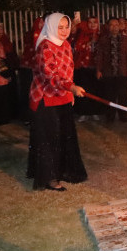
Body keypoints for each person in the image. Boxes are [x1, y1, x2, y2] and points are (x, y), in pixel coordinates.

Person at [28, 13, 87, 191]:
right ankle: (50, 178)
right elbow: (50, 76)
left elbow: (68, 72)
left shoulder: (67, 44)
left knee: (64, 137)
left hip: (63, 97)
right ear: (52, 27)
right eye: (60, 27)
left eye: (66, 27)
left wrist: (70, 92)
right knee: (50, 139)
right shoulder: (45, 47)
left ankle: (66, 172)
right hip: (45, 99)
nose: (64, 31)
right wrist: (71, 89)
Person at [95, 17, 127, 122]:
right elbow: (100, 56)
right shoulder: (103, 39)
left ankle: (123, 116)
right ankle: (110, 116)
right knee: (109, 95)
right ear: (108, 27)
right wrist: (98, 70)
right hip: (108, 72)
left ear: (119, 26)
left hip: (122, 71)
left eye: (116, 25)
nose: (114, 27)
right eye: (112, 25)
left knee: (122, 95)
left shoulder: (125, 39)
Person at [71, 16, 101, 121]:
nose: (92, 25)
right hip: (83, 67)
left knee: (95, 90)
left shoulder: (99, 36)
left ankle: (94, 112)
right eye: (90, 22)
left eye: (95, 22)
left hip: (95, 68)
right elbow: (77, 48)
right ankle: (84, 112)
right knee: (84, 90)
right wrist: (87, 43)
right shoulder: (82, 35)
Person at [19, 17, 44, 121]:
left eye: (44, 23)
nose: (42, 24)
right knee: (29, 92)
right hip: (30, 69)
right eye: (40, 22)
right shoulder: (34, 35)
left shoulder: (43, 35)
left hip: (37, 69)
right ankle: (28, 117)